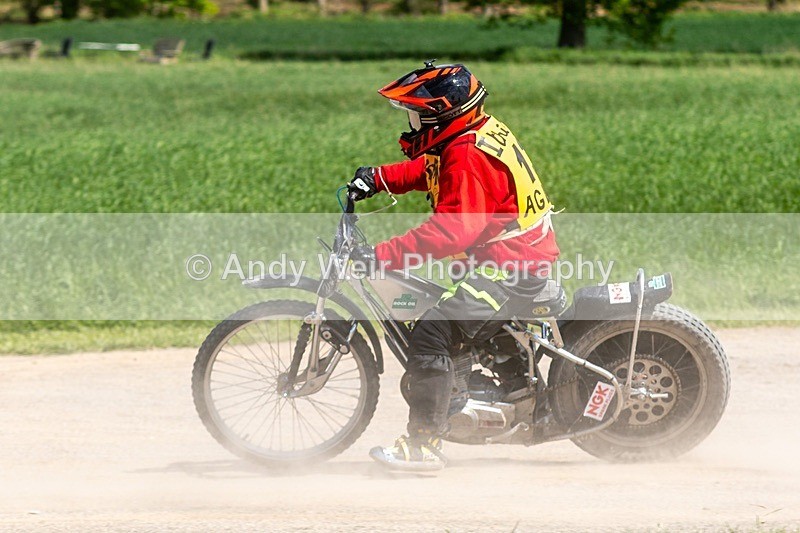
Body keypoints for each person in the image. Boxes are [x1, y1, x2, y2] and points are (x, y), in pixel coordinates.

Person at [347, 61, 560, 471]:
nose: (411, 126)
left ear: (440, 116)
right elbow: (432, 171)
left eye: (416, 116)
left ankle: (423, 446)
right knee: (452, 316)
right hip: (513, 259)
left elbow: (451, 233)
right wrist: (379, 178)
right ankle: (519, 388)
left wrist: (381, 256)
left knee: (430, 333)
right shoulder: (473, 134)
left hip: (509, 269)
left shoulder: (466, 154)